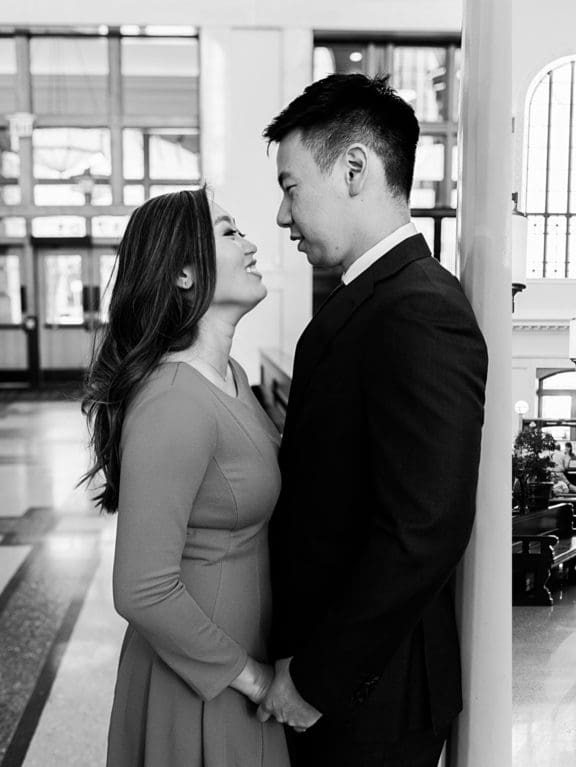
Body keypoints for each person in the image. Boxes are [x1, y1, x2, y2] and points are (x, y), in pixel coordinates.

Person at [260, 74, 488, 766]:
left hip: (369, 699)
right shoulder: (373, 298)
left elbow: (425, 525)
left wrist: (316, 677)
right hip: (353, 691)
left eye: (291, 185)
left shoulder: (419, 307)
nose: (280, 214)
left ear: (354, 167)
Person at [81, 189, 290, 766]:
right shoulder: (175, 399)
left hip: (237, 660)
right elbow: (142, 589)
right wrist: (252, 679)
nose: (251, 245)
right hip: (202, 679)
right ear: (182, 272)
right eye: (229, 233)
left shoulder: (233, 376)